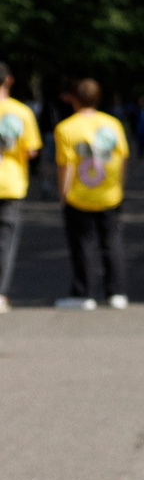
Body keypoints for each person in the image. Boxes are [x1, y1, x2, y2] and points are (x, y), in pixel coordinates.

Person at [54, 78, 129, 310]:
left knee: (83, 244)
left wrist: (63, 195)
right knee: (112, 242)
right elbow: (123, 157)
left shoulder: (66, 128)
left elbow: (66, 165)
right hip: (110, 193)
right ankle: (116, 292)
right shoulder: (113, 124)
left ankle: (83, 293)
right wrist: (120, 187)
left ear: (73, 98)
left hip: (80, 194)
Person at [0, 62, 37, 311]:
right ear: (9, 80)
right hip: (10, 183)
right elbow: (31, 149)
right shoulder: (21, 112)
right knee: (4, 242)